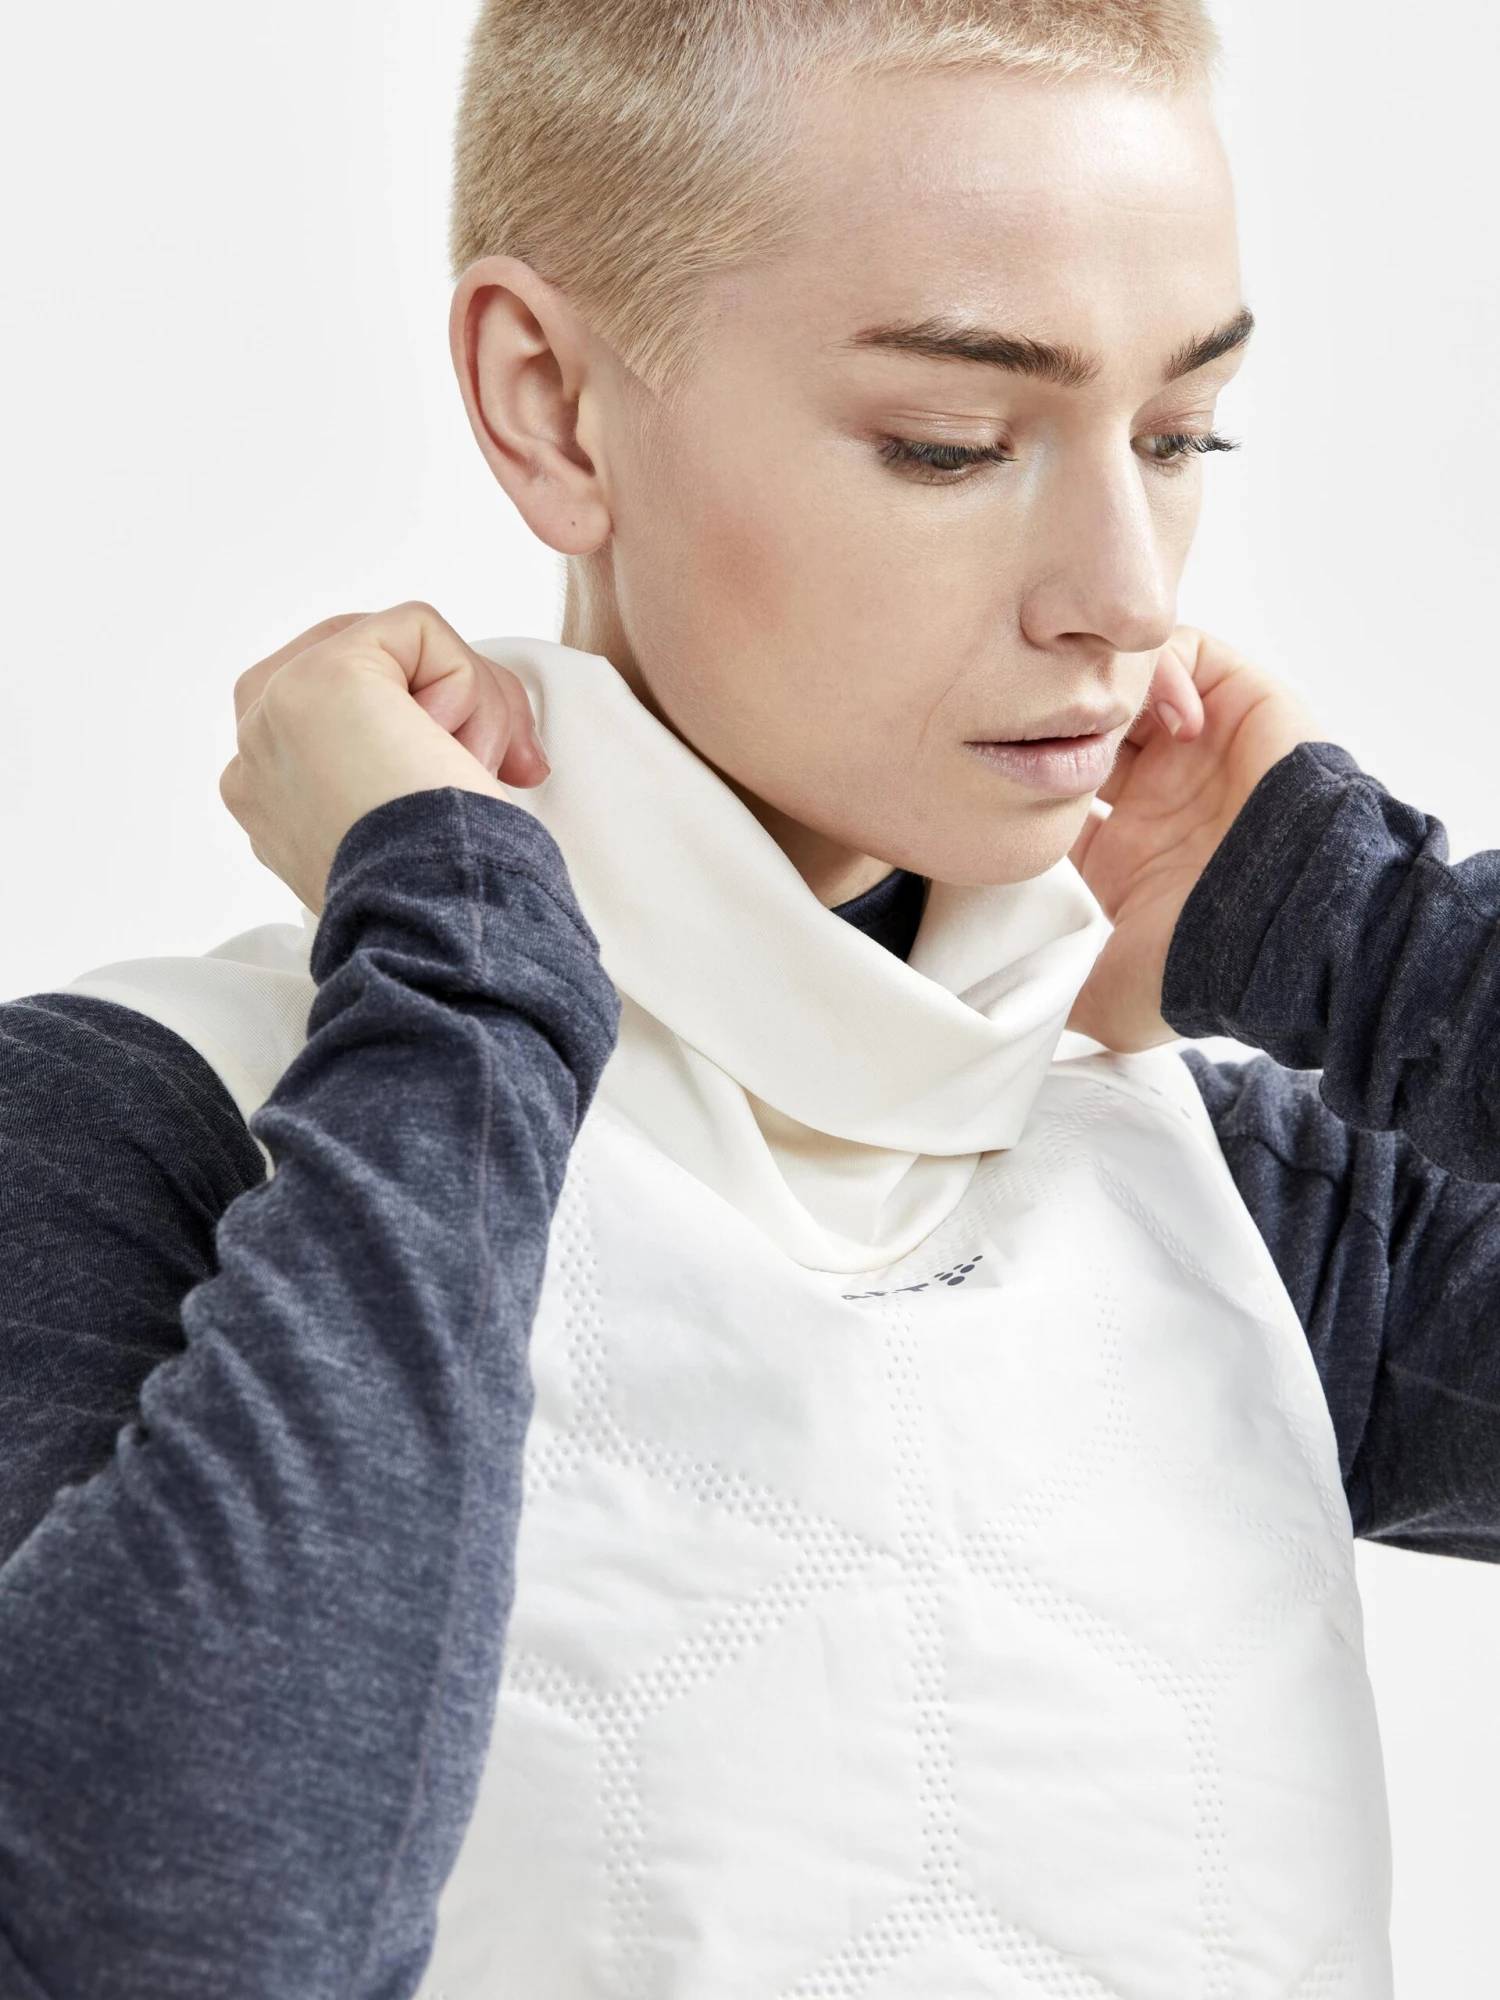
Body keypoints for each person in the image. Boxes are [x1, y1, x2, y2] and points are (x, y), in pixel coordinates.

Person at [1, 1, 1497, 1994]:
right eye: (954, 441)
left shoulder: (1230, 1193)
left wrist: (1363, 931)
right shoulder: (143, 1125)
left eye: (1180, 435)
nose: (1128, 594)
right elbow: (169, 1941)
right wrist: (459, 970)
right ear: (551, 405)